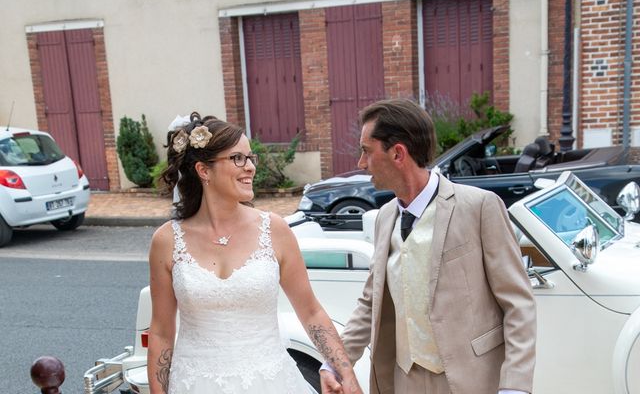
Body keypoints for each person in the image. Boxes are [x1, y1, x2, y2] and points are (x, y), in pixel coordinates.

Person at [320, 99, 536, 394]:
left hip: (470, 380)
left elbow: (518, 303)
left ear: (398, 153)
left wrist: (515, 386)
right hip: (403, 379)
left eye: (366, 151)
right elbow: (371, 303)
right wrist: (334, 363)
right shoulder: (385, 218)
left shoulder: (479, 207)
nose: (361, 163)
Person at [147, 112, 363, 394]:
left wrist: (346, 373)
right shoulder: (166, 241)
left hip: (271, 383)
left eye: (251, 158)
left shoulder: (274, 230)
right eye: (238, 158)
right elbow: (162, 333)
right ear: (203, 170)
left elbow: (311, 312)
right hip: (194, 384)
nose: (250, 167)